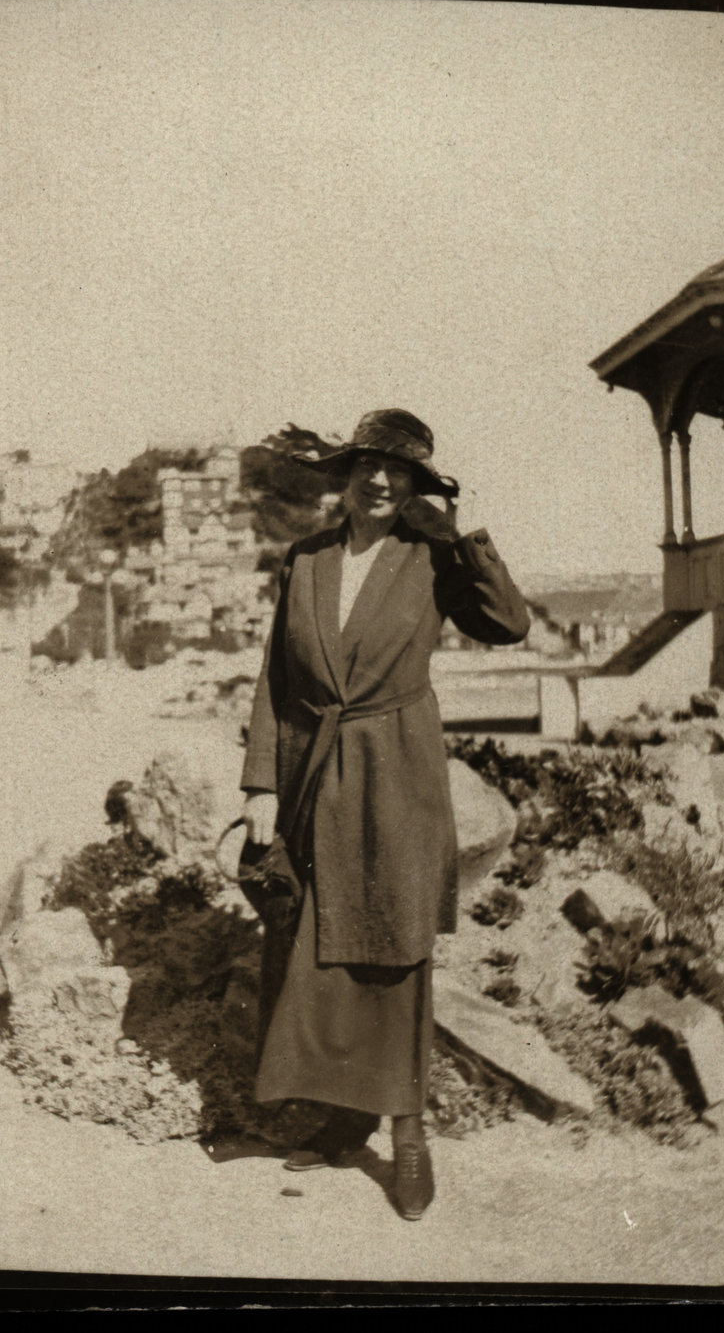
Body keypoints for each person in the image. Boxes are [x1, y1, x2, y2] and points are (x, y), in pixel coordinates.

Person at [239, 409, 530, 1221]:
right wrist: (260, 785)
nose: (379, 481)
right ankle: (345, 1113)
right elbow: (273, 678)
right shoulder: (305, 560)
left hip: (395, 772)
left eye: (398, 472)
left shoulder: (431, 557)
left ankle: (408, 1137)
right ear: (345, 473)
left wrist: (460, 539)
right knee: (317, 944)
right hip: (308, 774)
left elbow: (508, 625)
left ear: (416, 486)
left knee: (394, 950)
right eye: (368, 465)